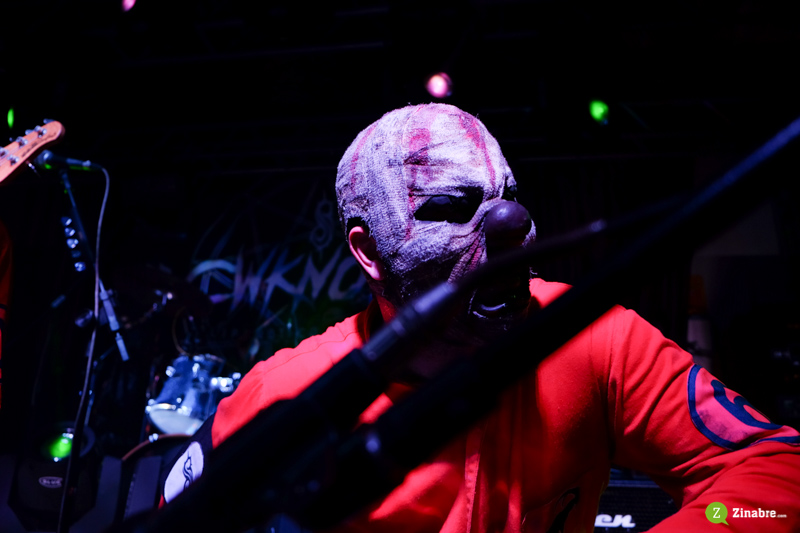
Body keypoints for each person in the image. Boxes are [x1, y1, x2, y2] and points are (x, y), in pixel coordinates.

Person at [162, 103, 800, 532]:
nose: (509, 226)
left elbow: (778, 471)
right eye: (448, 207)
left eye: (509, 198)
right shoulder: (284, 394)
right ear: (368, 251)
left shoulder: (594, 337)